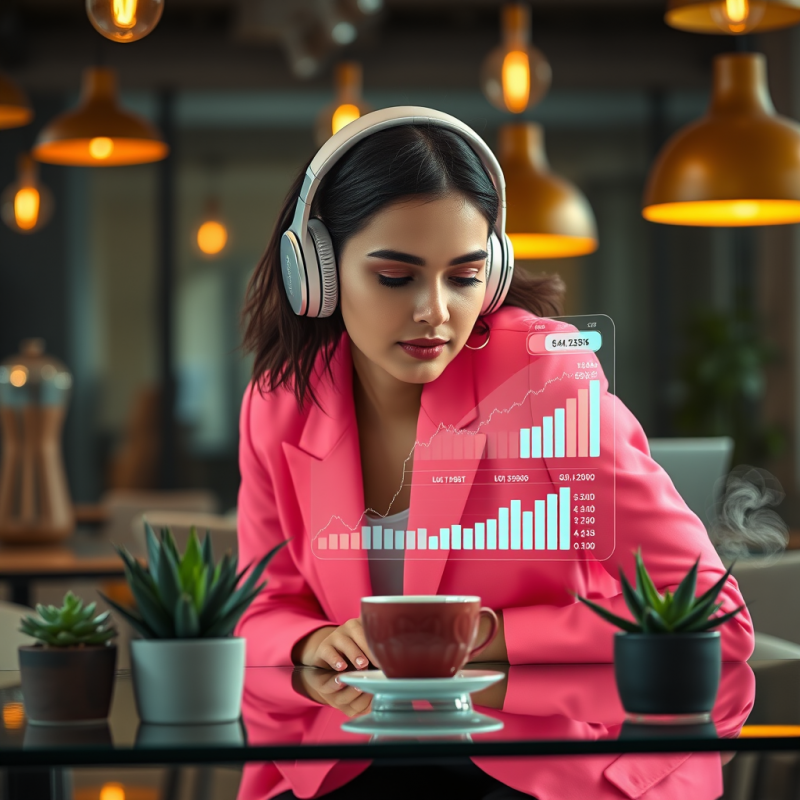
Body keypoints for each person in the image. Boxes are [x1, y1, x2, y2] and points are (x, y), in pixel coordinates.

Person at [235, 107, 753, 674]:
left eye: (463, 278)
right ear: (316, 271)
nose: (435, 312)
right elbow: (265, 609)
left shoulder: (545, 380)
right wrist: (312, 642)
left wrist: (491, 636)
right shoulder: (277, 404)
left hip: (528, 747)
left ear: (494, 272)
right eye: (394, 277)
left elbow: (713, 612)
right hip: (355, 745)